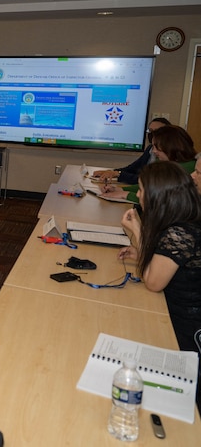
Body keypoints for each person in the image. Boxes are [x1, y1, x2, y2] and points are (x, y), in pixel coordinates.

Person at [116, 161, 201, 409]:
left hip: (188, 327)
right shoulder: (184, 220)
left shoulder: (181, 232)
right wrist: (143, 252)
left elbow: (153, 282)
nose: (138, 195)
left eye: (141, 190)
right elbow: (162, 264)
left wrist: (138, 230)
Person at [101, 125, 196, 204]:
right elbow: (147, 187)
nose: (154, 151)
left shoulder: (187, 169)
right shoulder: (162, 162)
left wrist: (125, 194)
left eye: (156, 147)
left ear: (170, 146)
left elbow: (159, 200)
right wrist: (120, 190)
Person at [94, 117, 170, 183]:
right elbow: (132, 168)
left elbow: (148, 181)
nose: (152, 134)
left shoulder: (166, 155)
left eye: (156, 131)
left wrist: (118, 174)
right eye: (150, 131)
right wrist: (111, 172)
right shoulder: (149, 149)